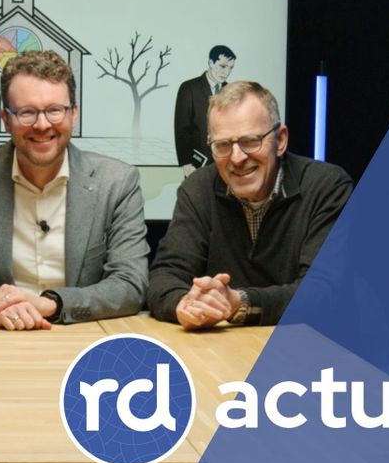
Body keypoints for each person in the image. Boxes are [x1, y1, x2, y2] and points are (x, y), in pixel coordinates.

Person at [0, 50, 149, 330]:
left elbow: (129, 284)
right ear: (5, 119)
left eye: (54, 110)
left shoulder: (117, 182)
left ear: (74, 114)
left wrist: (49, 305)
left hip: (84, 337)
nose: (43, 124)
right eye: (27, 112)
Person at [149, 80, 352, 330]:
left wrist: (238, 302)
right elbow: (164, 276)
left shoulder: (326, 186)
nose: (237, 158)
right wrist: (186, 304)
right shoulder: (197, 188)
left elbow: (321, 292)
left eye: (250, 141)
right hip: (224, 354)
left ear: (280, 140)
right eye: (222, 145)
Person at [174, 45, 236, 176]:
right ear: (211, 63)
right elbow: (182, 128)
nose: (226, 72)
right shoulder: (189, 88)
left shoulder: (231, 91)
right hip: (197, 164)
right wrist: (186, 163)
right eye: (223, 66)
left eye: (230, 68)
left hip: (226, 164)